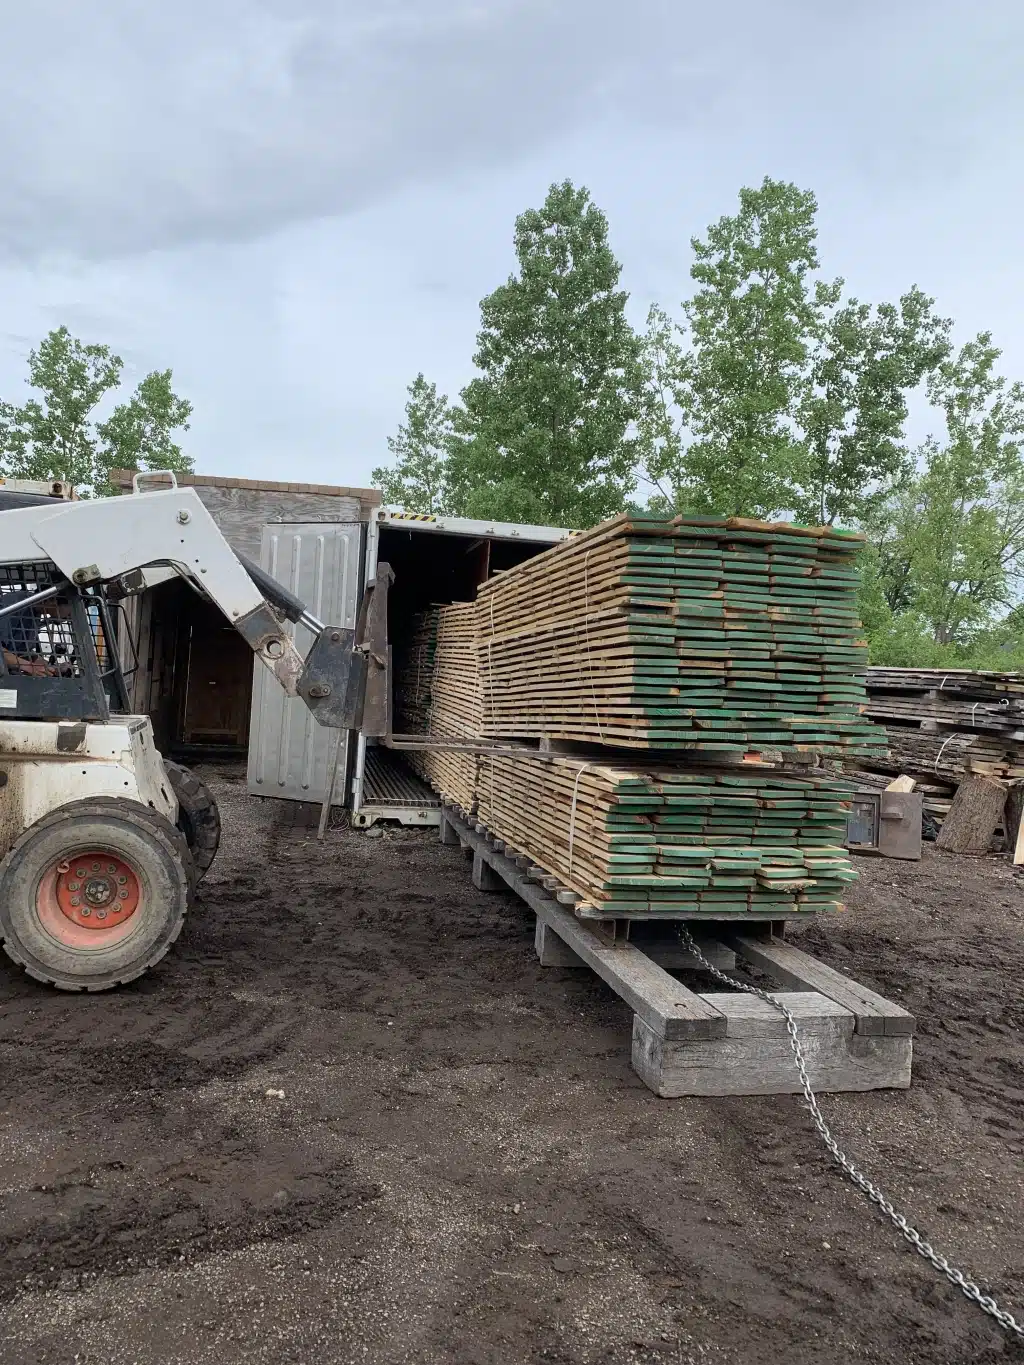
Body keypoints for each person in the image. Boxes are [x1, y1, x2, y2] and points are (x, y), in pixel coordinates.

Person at [0, 590, 57, 676]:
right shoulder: (14, 603)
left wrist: (53, 668)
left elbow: (22, 652)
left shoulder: (36, 613)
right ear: (53, 601)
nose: (71, 616)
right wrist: (29, 667)